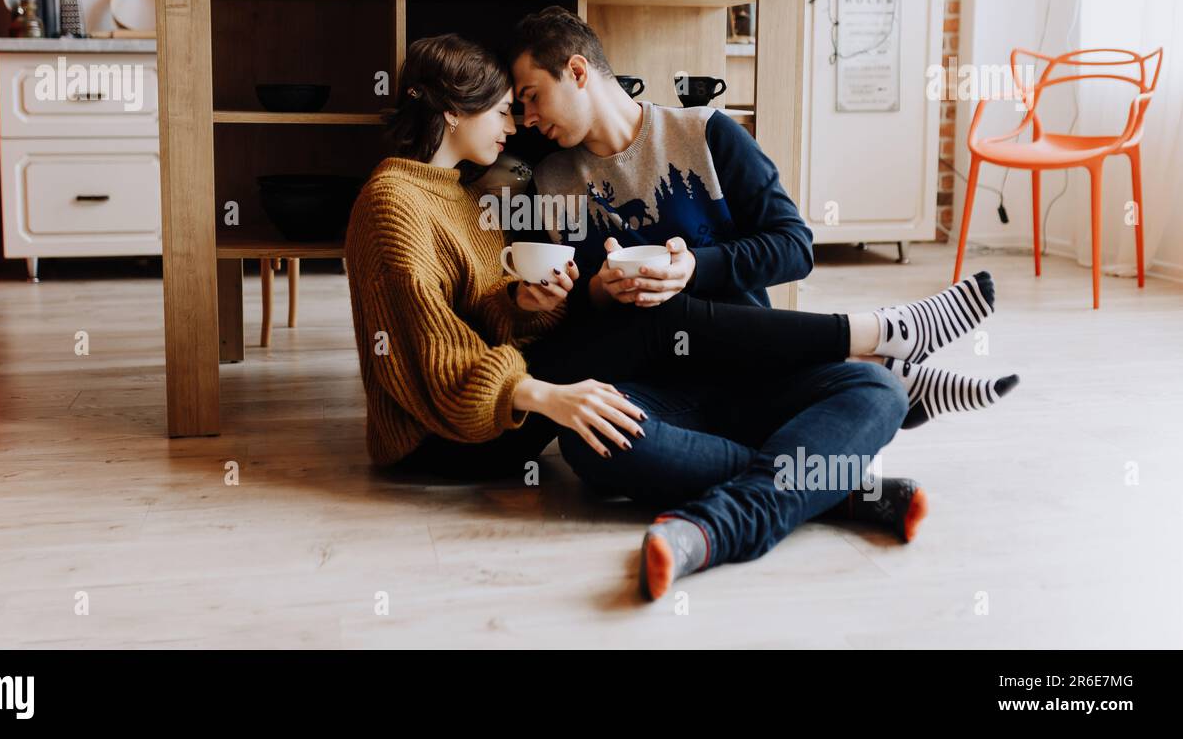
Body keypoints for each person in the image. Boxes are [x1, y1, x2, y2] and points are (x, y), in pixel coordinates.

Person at [345, 33, 1019, 600]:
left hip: (741, 369)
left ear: (577, 71)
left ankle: (778, 485)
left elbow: (794, 247)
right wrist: (566, 343)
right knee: (600, 425)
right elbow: (428, 359)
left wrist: (528, 305)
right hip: (459, 428)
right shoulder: (406, 201)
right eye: (505, 106)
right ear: (455, 111)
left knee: (877, 392)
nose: (518, 121)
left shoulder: (698, 137)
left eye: (526, 99)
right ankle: (851, 410)